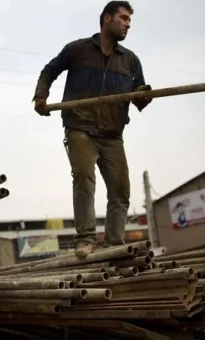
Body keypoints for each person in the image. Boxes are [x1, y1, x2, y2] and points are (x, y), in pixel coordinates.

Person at [32, 1, 152, 257]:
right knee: (84, 179)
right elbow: (49, 70)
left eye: (129, 21)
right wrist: (41, 97)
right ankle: (85, 239)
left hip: (112, 134)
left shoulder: (130, 60)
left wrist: (144, 94)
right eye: (123, 18)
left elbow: (139, 95)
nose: (127, 25)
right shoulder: (78, 50)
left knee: (120, 191)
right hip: (80, 128)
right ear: (107, 18)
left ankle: (113, 245)